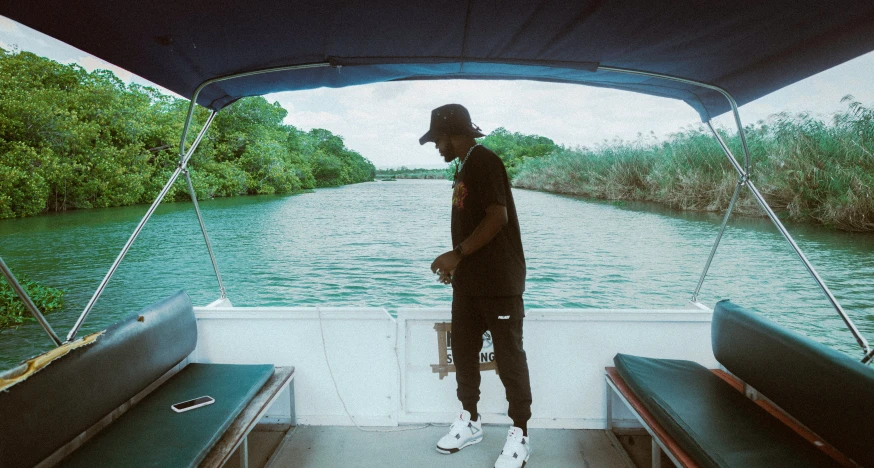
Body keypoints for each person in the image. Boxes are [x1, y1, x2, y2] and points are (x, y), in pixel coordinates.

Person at [421, 104, 532, 468]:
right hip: (469, 282)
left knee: (509, 357)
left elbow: (497, 217)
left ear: (455, 134)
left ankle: (520, 433)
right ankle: (470, 420)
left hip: (499, 282)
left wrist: (456, 254)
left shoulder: (484, 161)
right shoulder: (464, 167)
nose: (437, 147)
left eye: (438, 139)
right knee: (464, 353)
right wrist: (459, 265)